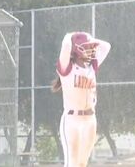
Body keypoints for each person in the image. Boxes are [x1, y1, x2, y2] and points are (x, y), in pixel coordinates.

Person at [51, 31, 111, 167]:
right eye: (87, 47)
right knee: (71, 163)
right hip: (72, 120)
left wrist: (88, 39)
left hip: (90, 120)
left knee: (82, 164)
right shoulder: (67, 68)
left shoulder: (92, 67)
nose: (91, 49)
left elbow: (106, 46)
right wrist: (70, 36)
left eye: (91, 46)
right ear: (76, 49)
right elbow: (66, 46)